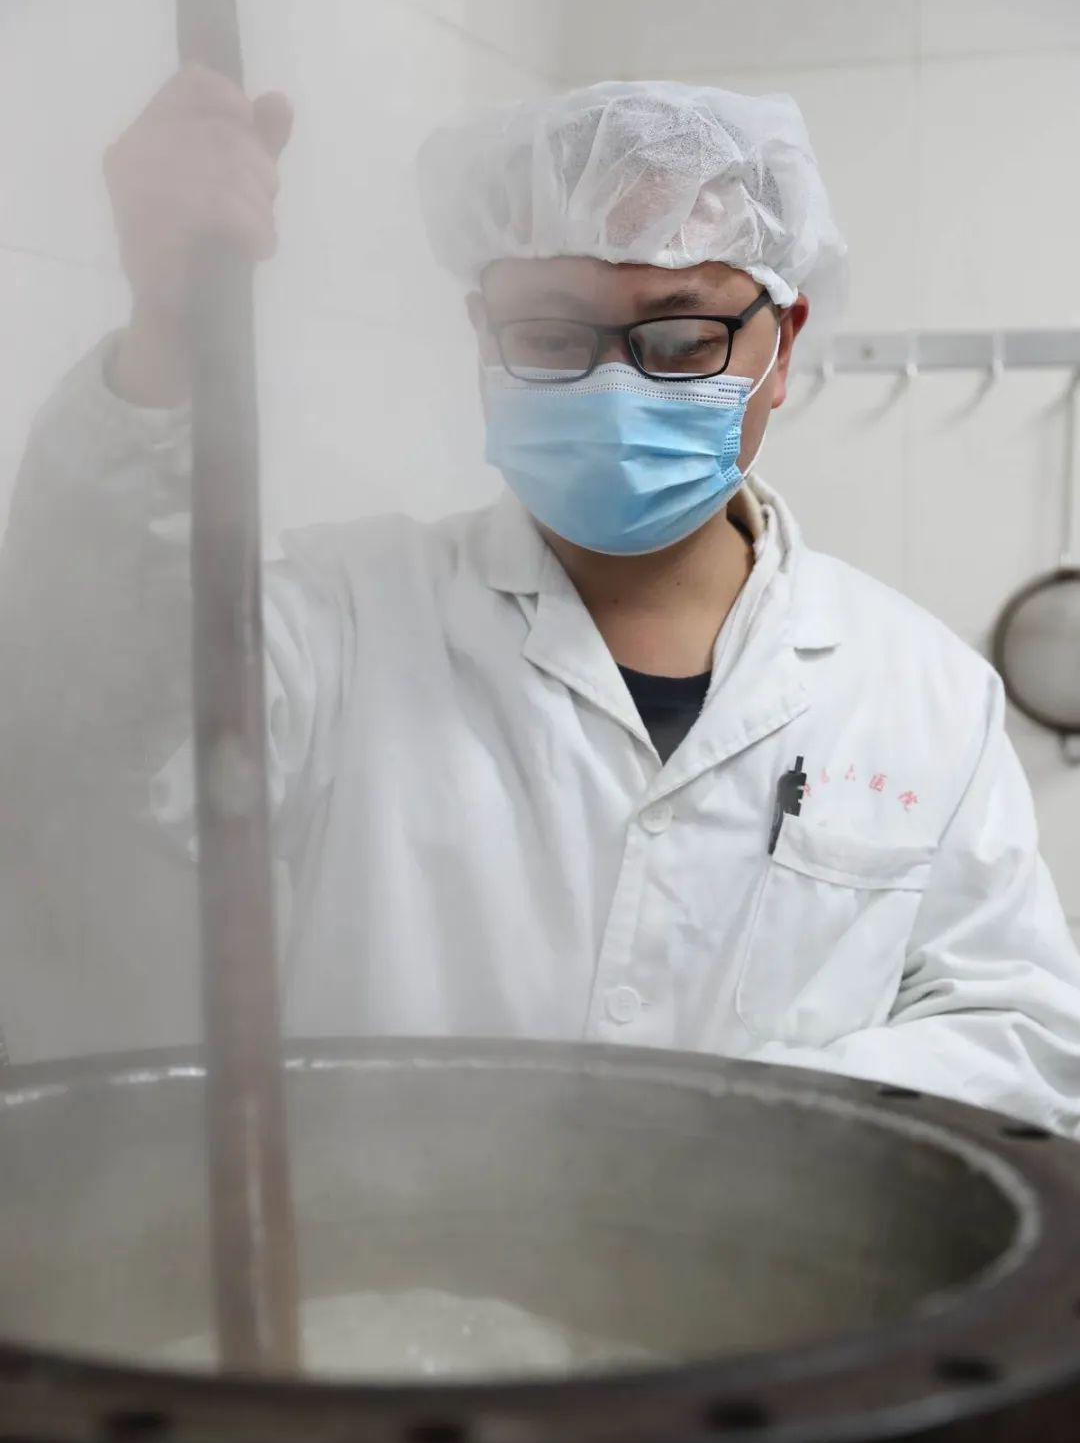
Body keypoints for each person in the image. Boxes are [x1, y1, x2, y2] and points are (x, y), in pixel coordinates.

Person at [2, 69, 1078, 1133]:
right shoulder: (338, 624)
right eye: (553, 338)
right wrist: (166, 337)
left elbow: (1021, 1032)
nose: (616, 388)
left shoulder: (924, 693)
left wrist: (747, 1134)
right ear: (482, 334)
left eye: (680, 340)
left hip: (790, 1245)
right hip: (390, 1245)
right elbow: (86, 717)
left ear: (782, 344)